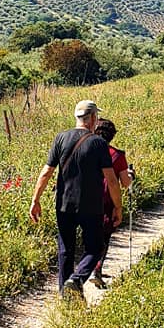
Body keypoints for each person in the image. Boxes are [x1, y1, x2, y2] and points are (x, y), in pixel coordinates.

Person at [29, 99, 122, 297]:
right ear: (94, 118)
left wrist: (35, 200)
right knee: (95, 248)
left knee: (65, 250)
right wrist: (118, 207)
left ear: (78, 118)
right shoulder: (98, 143)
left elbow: (46, 173)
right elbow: (112, 181)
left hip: (64, 205)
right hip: (91, 206)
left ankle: (66, 295)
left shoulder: (60, 138)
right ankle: (77, 279)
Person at [91, 118, 134, 288]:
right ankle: (97, 269)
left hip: (83, 198)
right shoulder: (117, 155)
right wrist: (131, 175)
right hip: (107, 200)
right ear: (112, 136)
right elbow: (125, 182)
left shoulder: (86, 149)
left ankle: (82, 270)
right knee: (103, 236)